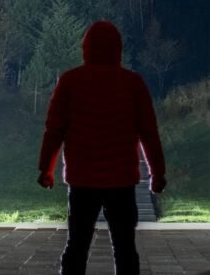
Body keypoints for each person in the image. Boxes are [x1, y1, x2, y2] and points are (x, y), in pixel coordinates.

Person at [37, 20, 166, 275]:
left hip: (82, 181)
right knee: (125, 249)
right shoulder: (133, 84)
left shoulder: (70, 82)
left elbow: (54, 131)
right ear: (118, 49)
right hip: (122, 181)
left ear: (86, 48)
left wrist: (46, 169)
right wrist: (157, 174)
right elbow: (149, 134)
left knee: (77, 247)